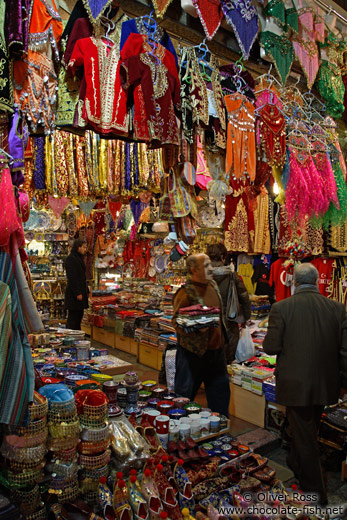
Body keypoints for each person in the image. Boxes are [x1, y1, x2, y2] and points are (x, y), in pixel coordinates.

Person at [263, 262, 347, 504]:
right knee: (307, 429)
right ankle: (296, 465)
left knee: (305, 436)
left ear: (295, 282)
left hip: (295, 385)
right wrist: (343, 384)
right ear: (317, 280)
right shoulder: (337, 308)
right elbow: (344, 351)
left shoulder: (281, 308)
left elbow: (270, 347)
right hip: (325, 384)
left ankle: (316, 493)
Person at [172, 253, 230, 417]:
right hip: (192, 355)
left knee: (220, 396)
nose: (211, 268)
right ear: (193, 269)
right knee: (184, 397)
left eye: (210, 264)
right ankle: (180, 432)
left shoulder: (213, 285)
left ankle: (219, 433)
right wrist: (197, 323)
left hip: (216, 354)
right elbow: (177, 322)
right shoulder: (185, 293)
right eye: (206, 266)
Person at [206, 243, 251, 363]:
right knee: (227, 360)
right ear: (223, 257)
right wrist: (246, 318)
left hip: (207, 323)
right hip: (229, 322)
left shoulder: (202, 277)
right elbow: (244, 297)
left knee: (209, 361)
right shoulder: (232, 276)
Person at [64, 239, 89, 330]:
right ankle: (71, 336)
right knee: (73, 318)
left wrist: (87, 290)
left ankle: (76, 336)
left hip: (79, 292)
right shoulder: (71, 259)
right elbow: (72, 278)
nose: (85, 249)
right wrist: (78, 292)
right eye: (84, 247)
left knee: (78, 316)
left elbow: (82, 277)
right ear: (78, 247)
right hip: (74, 294)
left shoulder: (78, 258)